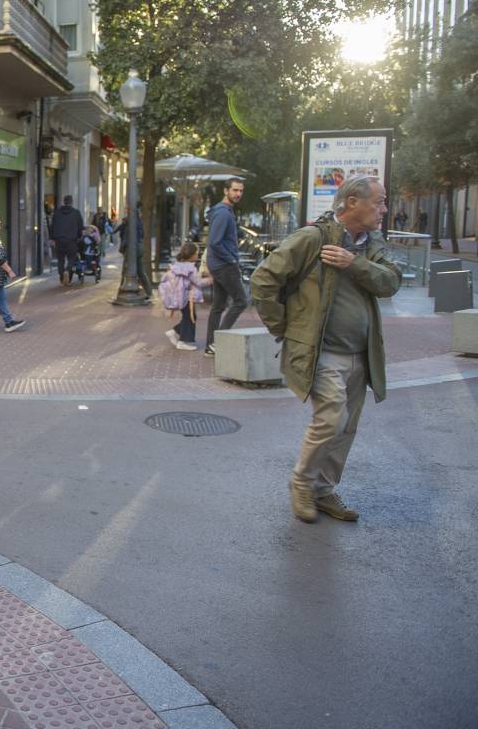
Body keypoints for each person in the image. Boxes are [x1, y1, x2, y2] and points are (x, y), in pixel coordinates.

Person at [250, 176, 400, 523]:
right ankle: (302, 484)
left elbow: (391, 282)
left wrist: (354, 263)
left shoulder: (371, 243)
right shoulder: (312, 238)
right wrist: (284, 328)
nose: (384, 209)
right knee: (332, 418)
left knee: (347, 427)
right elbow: (263, 279)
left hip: (361, 353)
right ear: (351, 203)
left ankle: (323, 489)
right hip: (322, 351)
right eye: (379, 201)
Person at [203, 177, 247, 356]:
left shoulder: (225, 211)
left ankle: (210, 346)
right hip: (224, 265)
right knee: (241, 301)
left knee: (218, 306)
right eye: (235, 190)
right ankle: (219, 342)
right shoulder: (222, 212)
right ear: (226, 191)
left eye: (240, 191)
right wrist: (231, 260)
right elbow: (214, 242)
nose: (238, 194)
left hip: (219, 264)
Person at [160, 242, 212, 351]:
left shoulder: (178, 264)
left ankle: (174, 331)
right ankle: (184, 341)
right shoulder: (190, 268)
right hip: (187, 297)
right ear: (192, 255)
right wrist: (211, 280)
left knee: (189, 316)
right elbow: (198, 282)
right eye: (197, 253)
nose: (198, 255)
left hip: (180, 296)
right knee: (190, 318)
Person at [116, 207, 153, 297]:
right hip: (139, 247)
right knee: (140, 271)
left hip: (132, 248)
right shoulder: (139, 221)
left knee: (126, 270)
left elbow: (125, 236)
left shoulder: (130, 222)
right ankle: (149, 292)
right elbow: (142, 235)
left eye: (127, 211)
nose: (126, 212)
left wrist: (123, 248)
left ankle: (121, 292)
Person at [49, 195, 84, 286]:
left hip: (59, 240)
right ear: (71, 202)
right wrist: (79, 237)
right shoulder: (76, 213)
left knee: (60, 260)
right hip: (71, 240)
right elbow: (80, 227)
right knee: (71, 258)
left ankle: (62, 275)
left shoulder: (57, 213)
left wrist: (52, 238)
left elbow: (52, 226)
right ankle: (68, 272)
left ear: (64, 202)